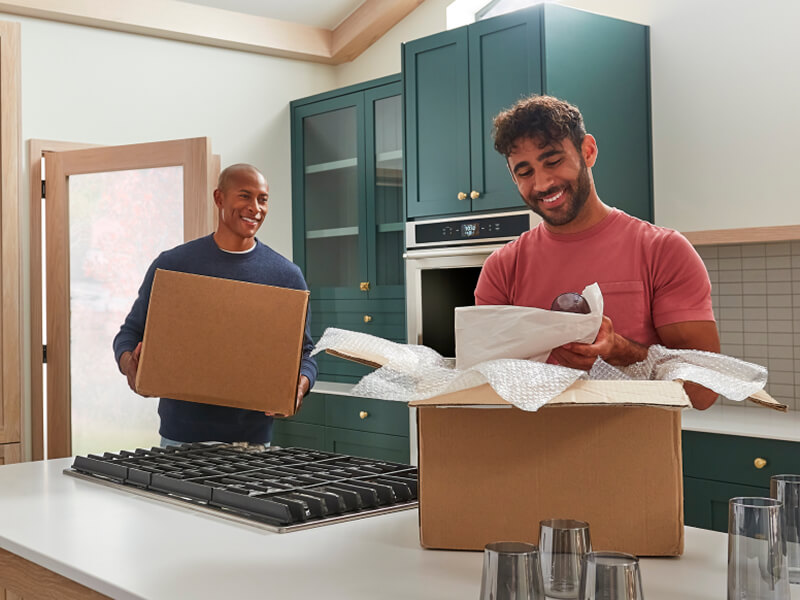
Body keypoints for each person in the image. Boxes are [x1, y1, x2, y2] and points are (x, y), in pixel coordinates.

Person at [475, 95, 720, 409]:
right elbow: (483, 390)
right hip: (525, 452)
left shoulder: (663, 251)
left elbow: (703, 392)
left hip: (633, 454)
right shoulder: (501, 269)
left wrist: (621, 351)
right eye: (524, 172)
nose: (542, 183)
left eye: (553, 161)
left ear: (587, 151)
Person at [113, 163, 317, 445]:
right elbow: (128, 335)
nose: (255, 208)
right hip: (179, 441)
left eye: (263, 199)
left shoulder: (286, 276)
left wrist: (299, 387)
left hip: (252, 444)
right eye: (244, 196)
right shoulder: (173, 265)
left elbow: (306, 353)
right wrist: (131, 367)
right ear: (219, 198)